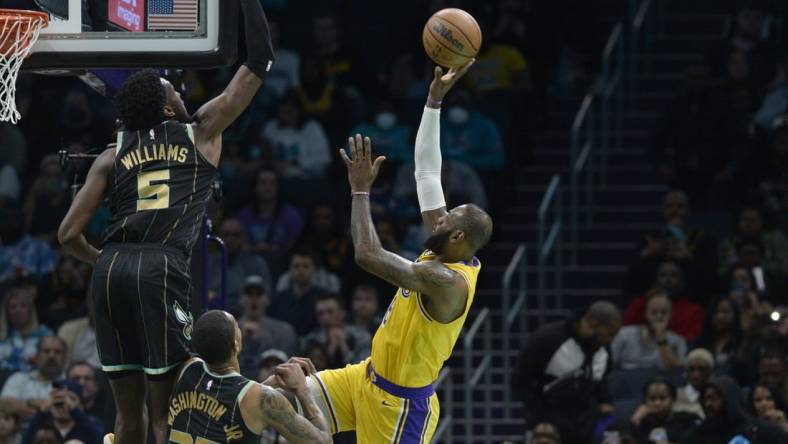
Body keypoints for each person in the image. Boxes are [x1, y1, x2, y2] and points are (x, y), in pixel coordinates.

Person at [56, 0, 277, 442]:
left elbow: (67, 235)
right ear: (168, 107)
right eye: (171, 89)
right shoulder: (202, 131)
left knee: (126, 415)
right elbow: (258, 61)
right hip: (160, 268)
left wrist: (106, 259)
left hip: (111, 268)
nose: (180, 91)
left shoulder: (110, 154)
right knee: (165, 412)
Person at [284, 61, 493, 442]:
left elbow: (367, 254)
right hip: (363, 377)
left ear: (459, 235)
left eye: (447, 219)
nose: (438, 217)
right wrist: (433, 100)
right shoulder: (446, 246)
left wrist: (360, 190)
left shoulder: (448, 281)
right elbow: (427, 172)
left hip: (399, 408)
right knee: (276, 399)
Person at [166, 310, 331, 443]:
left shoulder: (186, 368)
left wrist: (265, 386)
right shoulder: (262, 399)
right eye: (237, 326)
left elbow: (226, 400)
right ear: (235, 344)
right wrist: (303, 391)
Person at [516, 302, 621, 443]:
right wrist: (540, 417)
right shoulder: (548, 339)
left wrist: (605, 401)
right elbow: (521, 382)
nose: (611, 340)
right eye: (609, 334)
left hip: (586, 425)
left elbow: (600, 380)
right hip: (548, 425)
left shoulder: (603, 347)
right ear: (593, 325)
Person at [681, 376, 788, 444]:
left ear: (729, 398)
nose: (708, 404)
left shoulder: (761, 430)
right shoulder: (698, 434)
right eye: (705, 399)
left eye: (714, 398)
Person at [611, 290, 686, 371]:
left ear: (671, 315)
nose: (659, 316)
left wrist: (661, 339)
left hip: (659, 381)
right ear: (646, 313)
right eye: (654, 312)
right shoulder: (624, 334)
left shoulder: (678, 341)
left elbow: (670, 370)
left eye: (664, 313)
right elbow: (611, 363)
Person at [0, 336, 67, 422]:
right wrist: (32, 403)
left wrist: (29, 404)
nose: (51, 356)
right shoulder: (19, 378)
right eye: (46, 351)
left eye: (57, 352)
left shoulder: (70, 383)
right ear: (37, 356)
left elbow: (65, 413)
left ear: (65, 357)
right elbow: (5, 403)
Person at [301, 294, 371, 368]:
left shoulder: (362, 337)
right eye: (320, 313)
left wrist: (345, 349)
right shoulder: (311, 340)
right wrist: (330, 350)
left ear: (342, 313)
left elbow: (364, 369)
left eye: (330, 312)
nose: (325, 317)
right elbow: (311, 371)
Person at [21, 380, 99, 444]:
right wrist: (42, 411)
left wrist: (74, 410)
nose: (62, 404)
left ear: (80, 404)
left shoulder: (91, 424)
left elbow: (96, 440)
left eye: (71, 398)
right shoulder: (41, 426)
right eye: (57, 398)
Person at [630, 378, 700, 443]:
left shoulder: (688, 419)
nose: (657, 403)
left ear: (673, 399)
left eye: (662, 398)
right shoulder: (641, 422)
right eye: (652, 398)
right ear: (645, 401)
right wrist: (635, 421)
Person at [0, 287, 53, 373]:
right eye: (13, 307)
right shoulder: (2, 338)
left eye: (23, 306)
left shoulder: (46, 336)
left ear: (30, 310)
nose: (18, 310)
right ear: (7, 313)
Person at [673, 348, 714, 418]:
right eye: (692, 369)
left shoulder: (715, 396)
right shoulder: (676, 395)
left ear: (710, 371)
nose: (696, 375)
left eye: (701, 369)